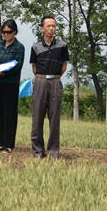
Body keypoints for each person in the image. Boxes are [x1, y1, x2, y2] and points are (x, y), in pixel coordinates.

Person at [30, 15, 69, 159]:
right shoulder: (35, 47)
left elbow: (64, 66)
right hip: (40, 81)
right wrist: (42, 78)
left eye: (53, 26)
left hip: (55, 82)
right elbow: (34, 68)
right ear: (42, 28)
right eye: (48, 26)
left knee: (54, 118)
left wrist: (54, 77)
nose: (51, 29)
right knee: (37, 117)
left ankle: (53, 152)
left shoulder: (62, 46)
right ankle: (38, 152)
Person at [0, 19, 25, 153]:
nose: (6, 35)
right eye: (3, 32)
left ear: (14, 32)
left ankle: (9, 144)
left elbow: (18, 66)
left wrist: (3, 73)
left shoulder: (19, 47)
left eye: (9, 32)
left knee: (10, 113)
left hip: (10, 83)